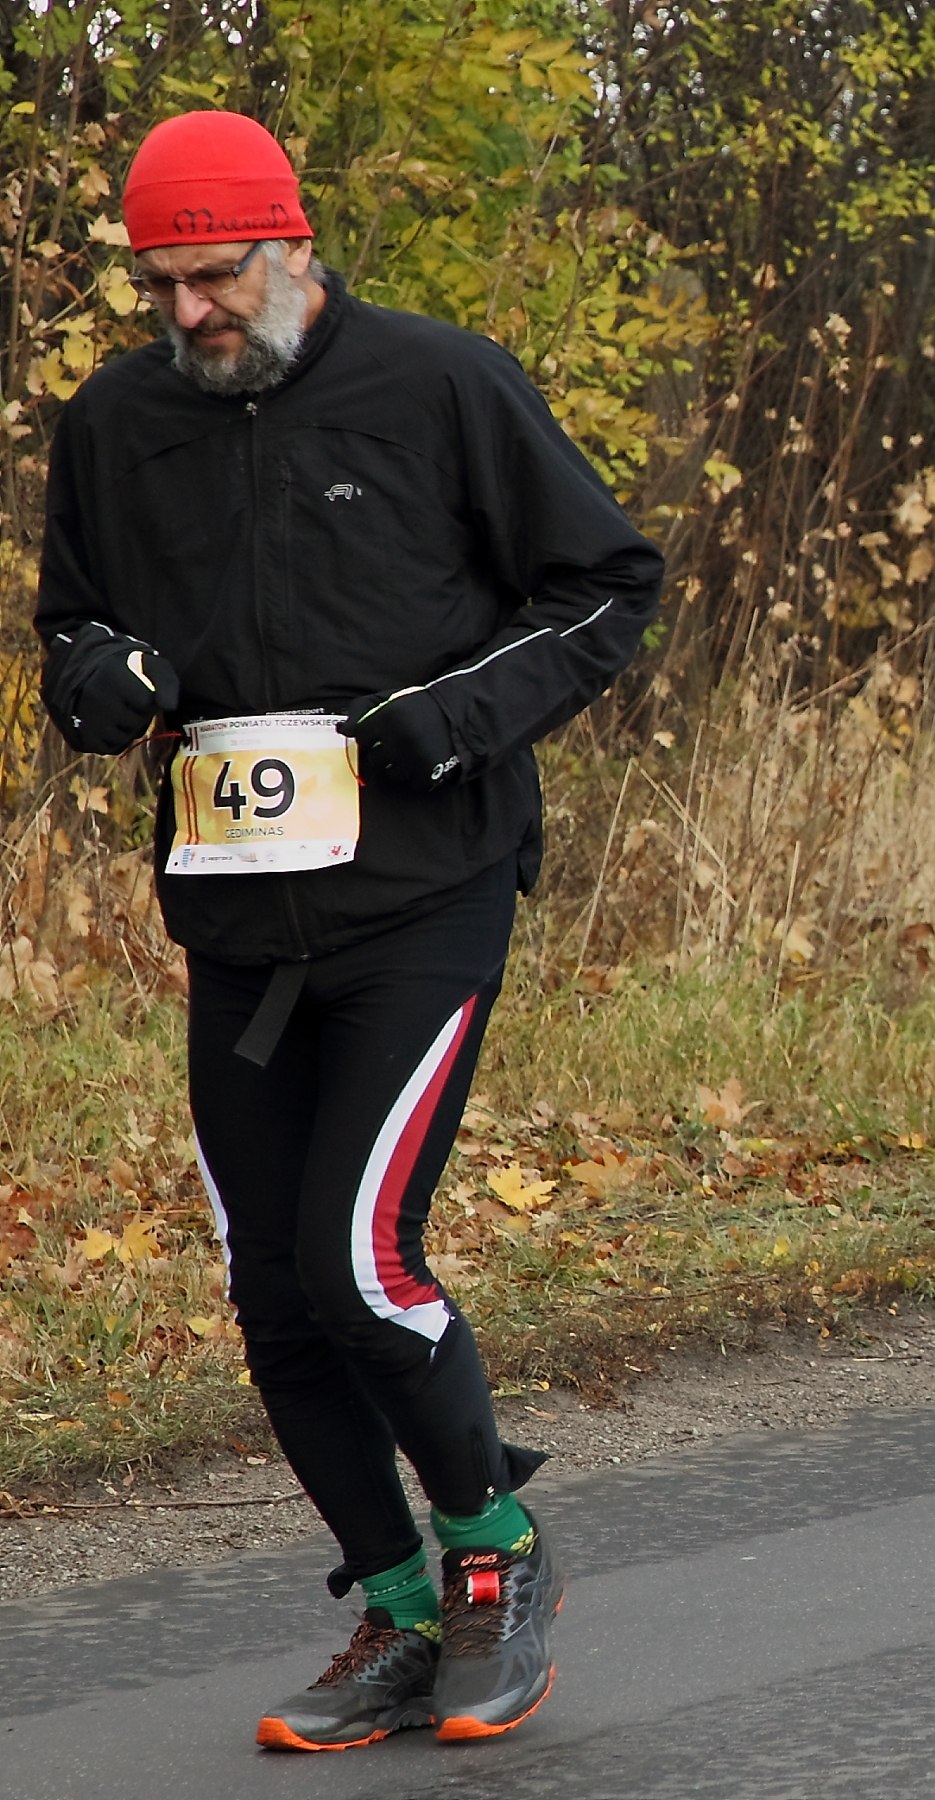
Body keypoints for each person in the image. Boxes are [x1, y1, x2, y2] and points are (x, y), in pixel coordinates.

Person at [35, 112, 662, 1748]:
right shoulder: (115, 423)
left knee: (358, 1260)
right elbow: (70, 623)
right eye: (161, 287)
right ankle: (396, 1606)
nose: (191, 314)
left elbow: (607, 586)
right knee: (270, 1288)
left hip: (424, 893)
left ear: (295, 246)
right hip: (238, 917)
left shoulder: (442, 384)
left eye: (218, 279)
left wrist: (454, 718)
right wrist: (97, 679)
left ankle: (496, 1556)